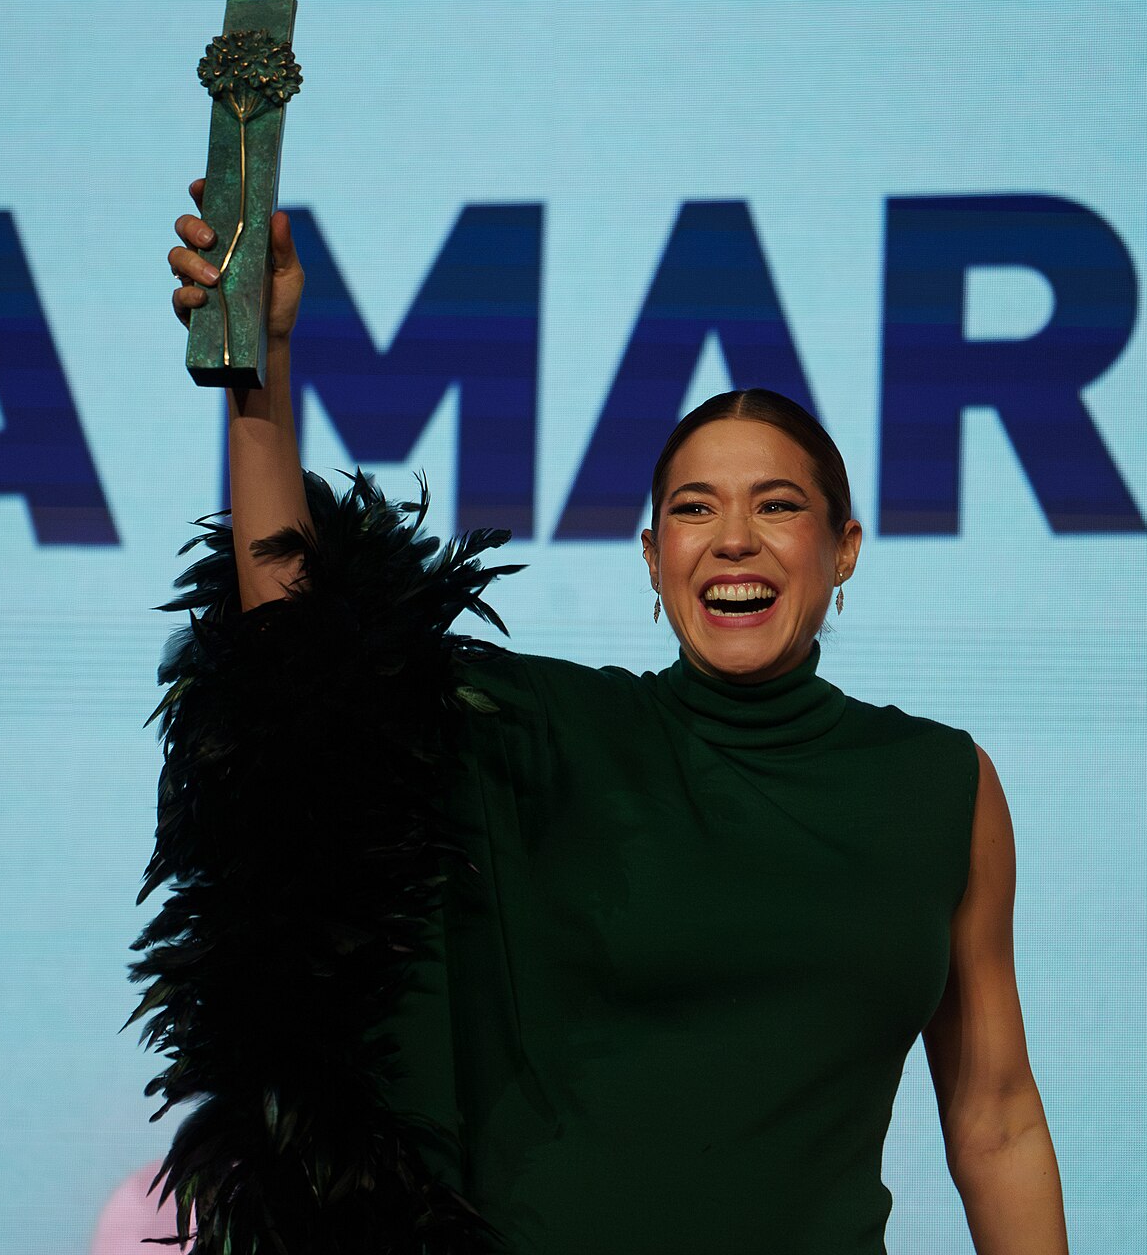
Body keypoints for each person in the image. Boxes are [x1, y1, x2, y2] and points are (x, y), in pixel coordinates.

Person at [128, 182, 1070, 1255]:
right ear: (654, 555)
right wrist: (264, 370)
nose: (733, 539)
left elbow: (996, 1120)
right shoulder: (539, 736)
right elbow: (301, 652)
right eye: (694, 509)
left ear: (842, 546)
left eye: (777, 505)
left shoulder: (938, 785)